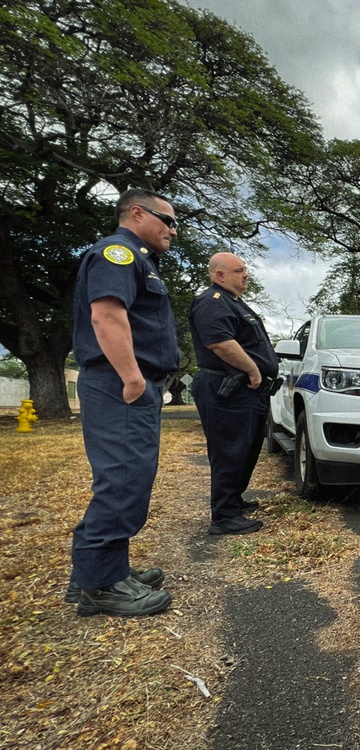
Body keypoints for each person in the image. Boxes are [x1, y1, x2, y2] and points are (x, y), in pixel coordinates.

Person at [68, 188, 179, 616]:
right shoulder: (117, 253)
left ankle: (97, 572)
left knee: (125, 478)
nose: (173, 229)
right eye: (167, 220)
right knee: (122, 481)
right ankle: (102, 585)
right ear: (136, 213)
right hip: (120, 384)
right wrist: (132, 377)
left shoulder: (139, 259)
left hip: (125, 383)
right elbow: (107, 315)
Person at [190, 252, 280, 536]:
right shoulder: (212, 302)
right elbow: (220, 343)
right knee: (229, 450)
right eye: (239, 270)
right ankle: (224, 515)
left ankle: (234, 500)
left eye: (245, 270)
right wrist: (253, 370)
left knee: (246, 449)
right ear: (219, 275)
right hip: (228, 388)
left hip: (245, 391)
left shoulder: (235, 303)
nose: (246, 275)